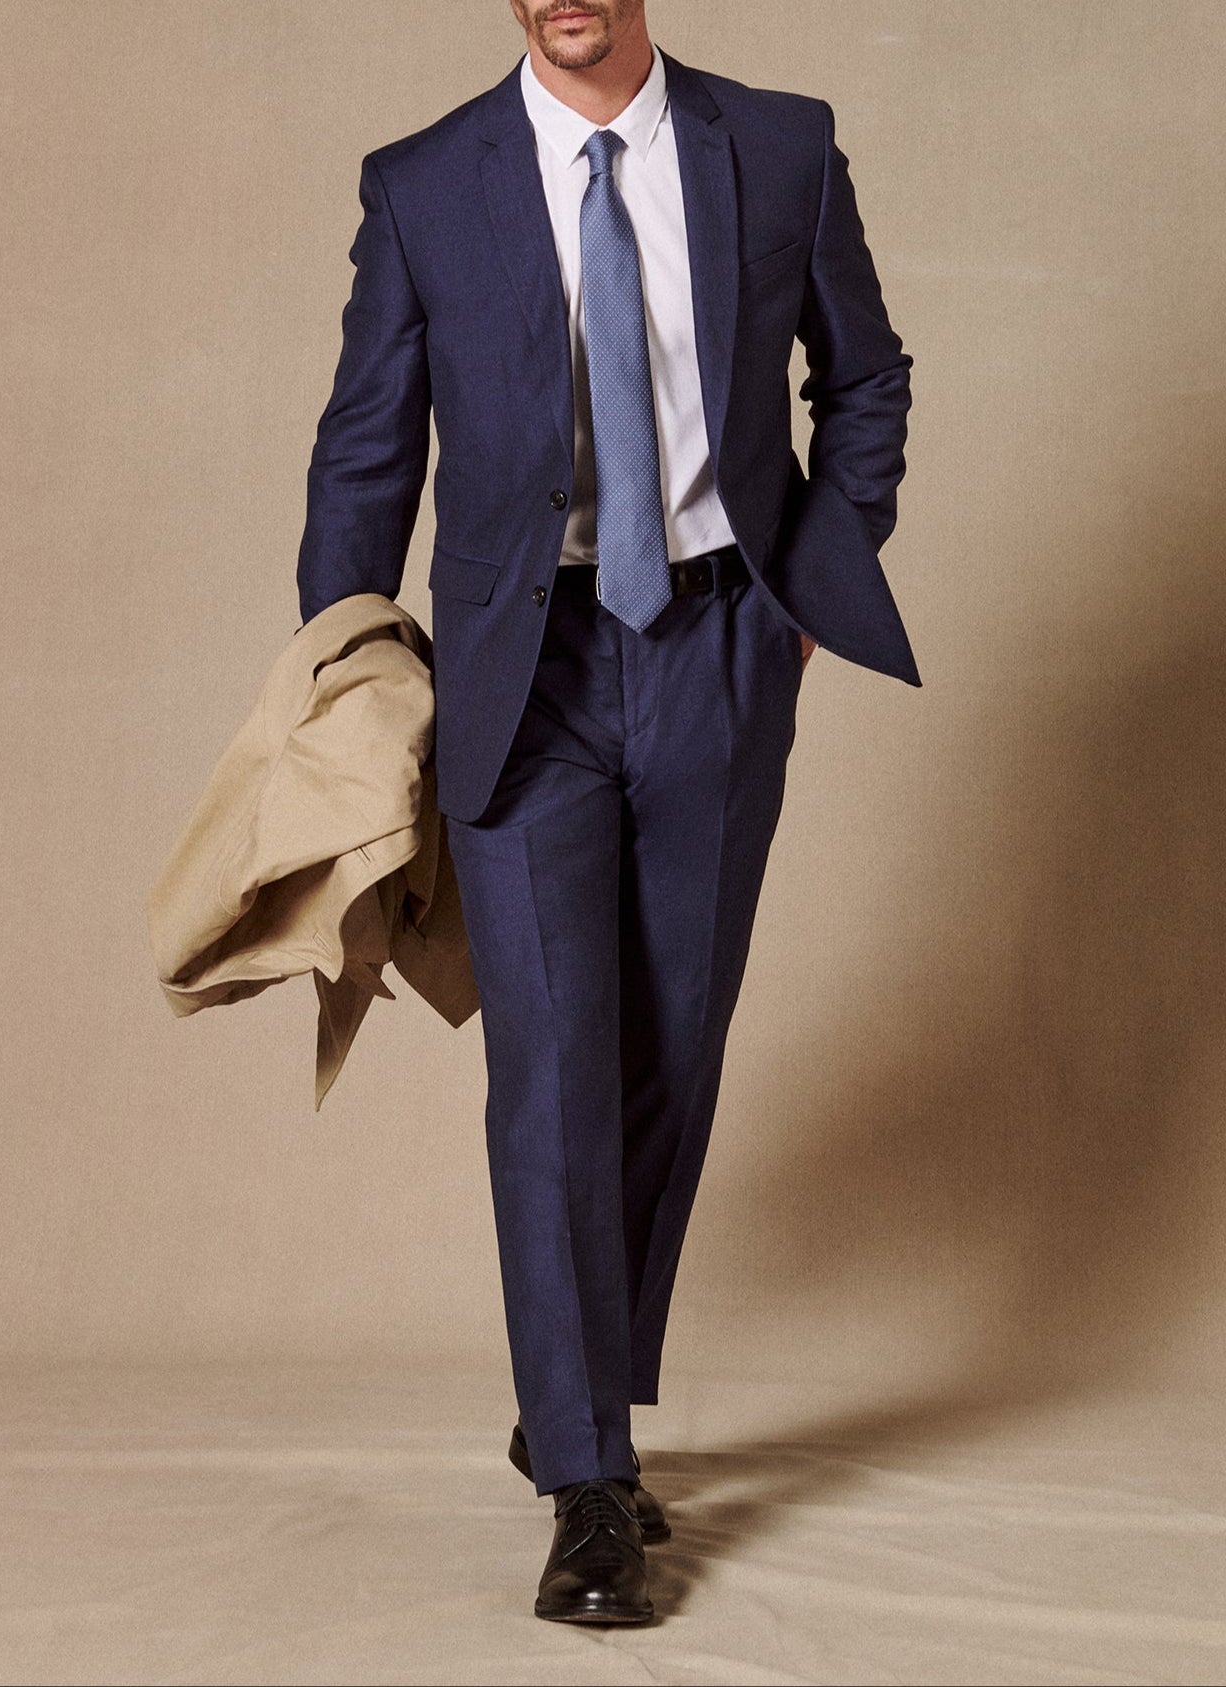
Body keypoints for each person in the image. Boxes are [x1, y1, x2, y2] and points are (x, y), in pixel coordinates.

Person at [296, 0, 915, 1624]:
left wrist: (806, 592)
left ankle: (571, 1384)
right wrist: (346, 676)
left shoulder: (777, 146)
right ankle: (587, 1479)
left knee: (672, 1047)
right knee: (554, 1064)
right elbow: (366, 450)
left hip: (718, 645)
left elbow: (865, 378)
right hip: (525, 673)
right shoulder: (424, 184)